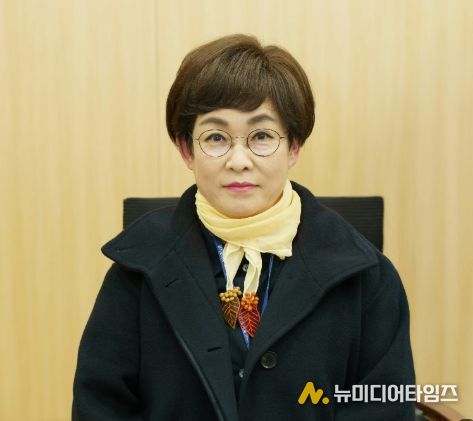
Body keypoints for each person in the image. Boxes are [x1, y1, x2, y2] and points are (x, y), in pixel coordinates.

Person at [73, 34, 415, 420]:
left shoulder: (367, 276)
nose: (239, 160)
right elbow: (100, 405)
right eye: (216, 137)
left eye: (262, 136)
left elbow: (385, 407)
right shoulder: (136, 272)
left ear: (294, 146)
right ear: (186, 149)